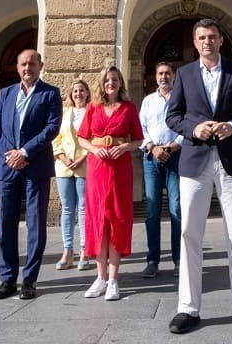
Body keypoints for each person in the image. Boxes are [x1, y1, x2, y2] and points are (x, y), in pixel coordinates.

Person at [165, 18, 232, 334]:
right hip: (194, 162)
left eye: (211, 36)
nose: (207, 42)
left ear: (221, 40)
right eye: (201, 37)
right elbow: (172, 116)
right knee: (189, 235)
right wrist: (193, 128)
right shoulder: (184, 74)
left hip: (231, 160)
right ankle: (188, 308)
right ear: (195, 43)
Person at [0, 49, 62, 300]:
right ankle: (7, 279)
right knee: (6, 224)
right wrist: (11, 153)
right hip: (7, 166)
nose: (27, 68)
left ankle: (29, 280)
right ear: (17, 67)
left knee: (36, 224)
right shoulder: (6, 93)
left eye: (32, 63)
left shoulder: (50, 93)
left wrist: (25, 152)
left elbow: (52, 127)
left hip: (35, 166)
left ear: (40, 65)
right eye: (22, 64)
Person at [77, 65, 143, 301]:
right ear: (101, 83)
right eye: (107, 80)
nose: (111, 83)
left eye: (114, 79)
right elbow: (83, 138)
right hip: (97, 168)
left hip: (119, 168)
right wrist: (95, 149)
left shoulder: (129, 108)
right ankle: (100, 277)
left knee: (116, 219)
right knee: (98, 221)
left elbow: (138, 140)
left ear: (120, 83)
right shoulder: (93, 107)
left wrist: (124, 146)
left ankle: (114, 280)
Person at [139, 61, 183, 279]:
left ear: (174, 76)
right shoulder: (148, 101)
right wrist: (153, 147)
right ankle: (152, 260)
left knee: (176, 209)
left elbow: (188, 126)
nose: (164, 77)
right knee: (152, 211)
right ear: (155, 77)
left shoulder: (181, 98)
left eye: (167, 73)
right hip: (151, 159)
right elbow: (141, 128)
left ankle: (178, 260)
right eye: (160, 73)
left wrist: (172, 146)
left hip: (176, 158)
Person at [53, 79, 91, 271]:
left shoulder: (92, 112)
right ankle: (68, 251)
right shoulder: (64, 113)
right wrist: (62, 157)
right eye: (75, 91)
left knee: (83, 209)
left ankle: (85, 250)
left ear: (87, 93)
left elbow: (94, 138)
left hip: (85, 165)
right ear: (71, 94)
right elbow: (56, 138)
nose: (78, 94)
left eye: (82, 90)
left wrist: (83, 158)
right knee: (67, 209)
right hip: (64, 166)